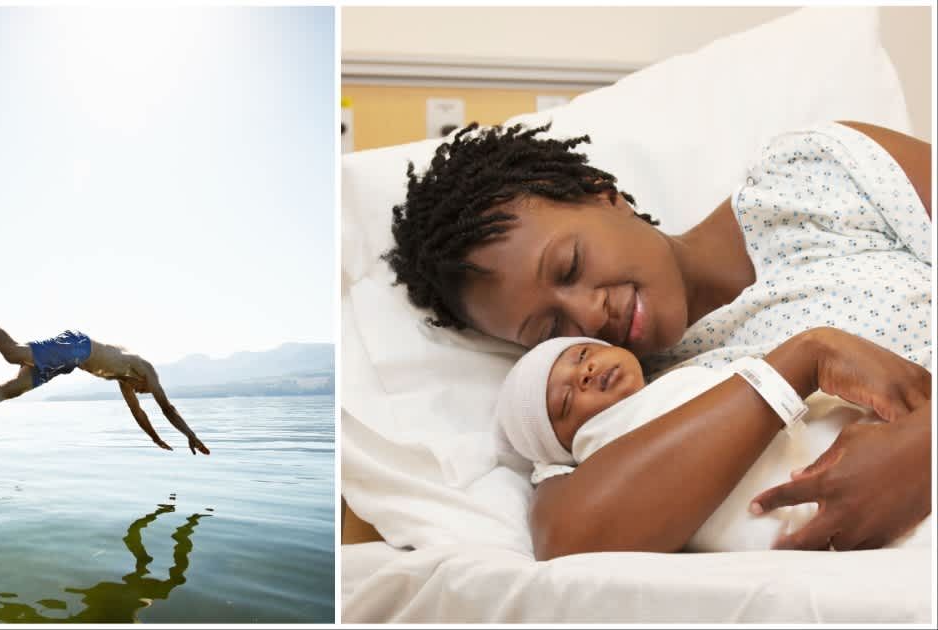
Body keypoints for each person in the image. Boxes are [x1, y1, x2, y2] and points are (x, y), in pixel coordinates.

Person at [383, 119, 932, 557]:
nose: (588, 315)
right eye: (551, 329)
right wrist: (802, 359)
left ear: (604, 196)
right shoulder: (630, 404)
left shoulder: (814, 177)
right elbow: (567, 540)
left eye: (570, 265)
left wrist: (922, 450)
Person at [494, 334, 931, 551]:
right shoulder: (600, 451)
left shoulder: (693, 374)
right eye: (566, 401)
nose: (583, 373)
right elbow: (567, 526)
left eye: (581, 355)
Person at [0, 287, 210, 467]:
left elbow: (139, 414)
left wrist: (156, 439)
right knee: (13, 353)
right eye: (144, 389)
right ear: (147, 380)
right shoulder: (143, 367)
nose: (140, 391)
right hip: (77, 348)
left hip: (69, 363)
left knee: (8, 390)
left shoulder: (125, 378)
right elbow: (166, 408)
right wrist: (190, 435)